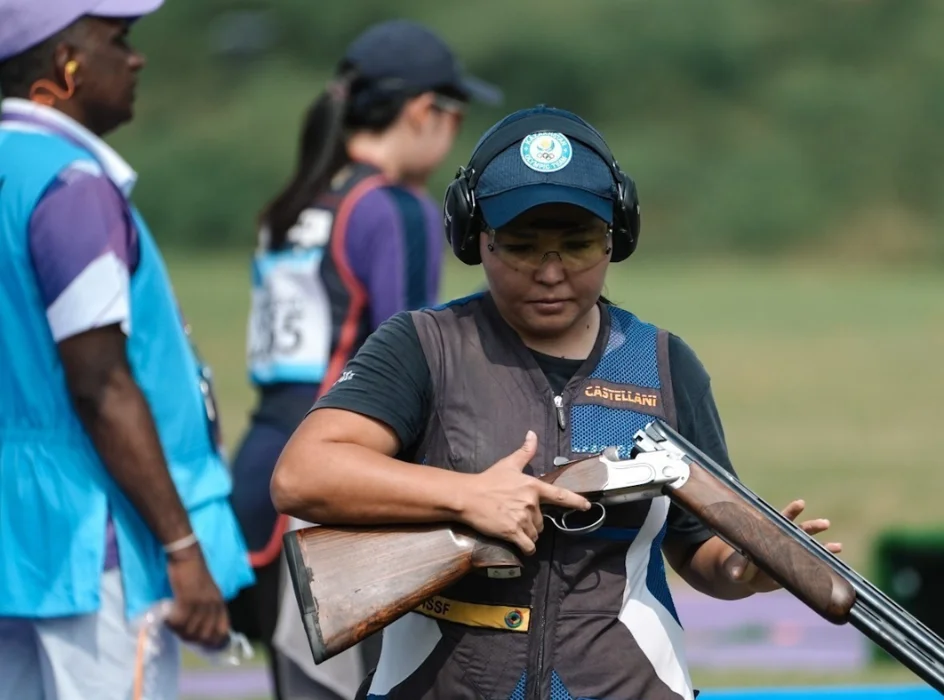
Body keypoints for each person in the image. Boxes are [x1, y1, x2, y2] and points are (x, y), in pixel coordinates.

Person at [269, 104, 844, 700]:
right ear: (477, 239)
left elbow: (699, 543)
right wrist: (469, 497)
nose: (550, 272)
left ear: (615, 238)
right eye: (521, 246)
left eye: (578, 245)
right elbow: (302, 474)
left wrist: (740, 571)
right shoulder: (422, 345)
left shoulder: (667, 364)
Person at [226, 18, 503, 700]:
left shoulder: (291, 206)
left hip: (260, 478)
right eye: (454, 114)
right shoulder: (394, 208)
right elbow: (415, 369)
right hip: (339, 489)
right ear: (421, 112)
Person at [0, 2, 255, 699]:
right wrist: (182, 548)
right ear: (65, 63)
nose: (136, 59)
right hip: (95, 539)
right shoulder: (71, 188)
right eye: (120, 40)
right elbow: (100, 383)